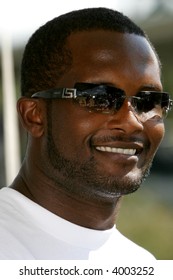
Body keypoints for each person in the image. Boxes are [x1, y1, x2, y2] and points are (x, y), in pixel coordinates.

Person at [0, 7, 172, 260]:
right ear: (33, 115)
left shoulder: (143, 264)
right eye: (99, 97)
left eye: (148, 101)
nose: (132, 123)